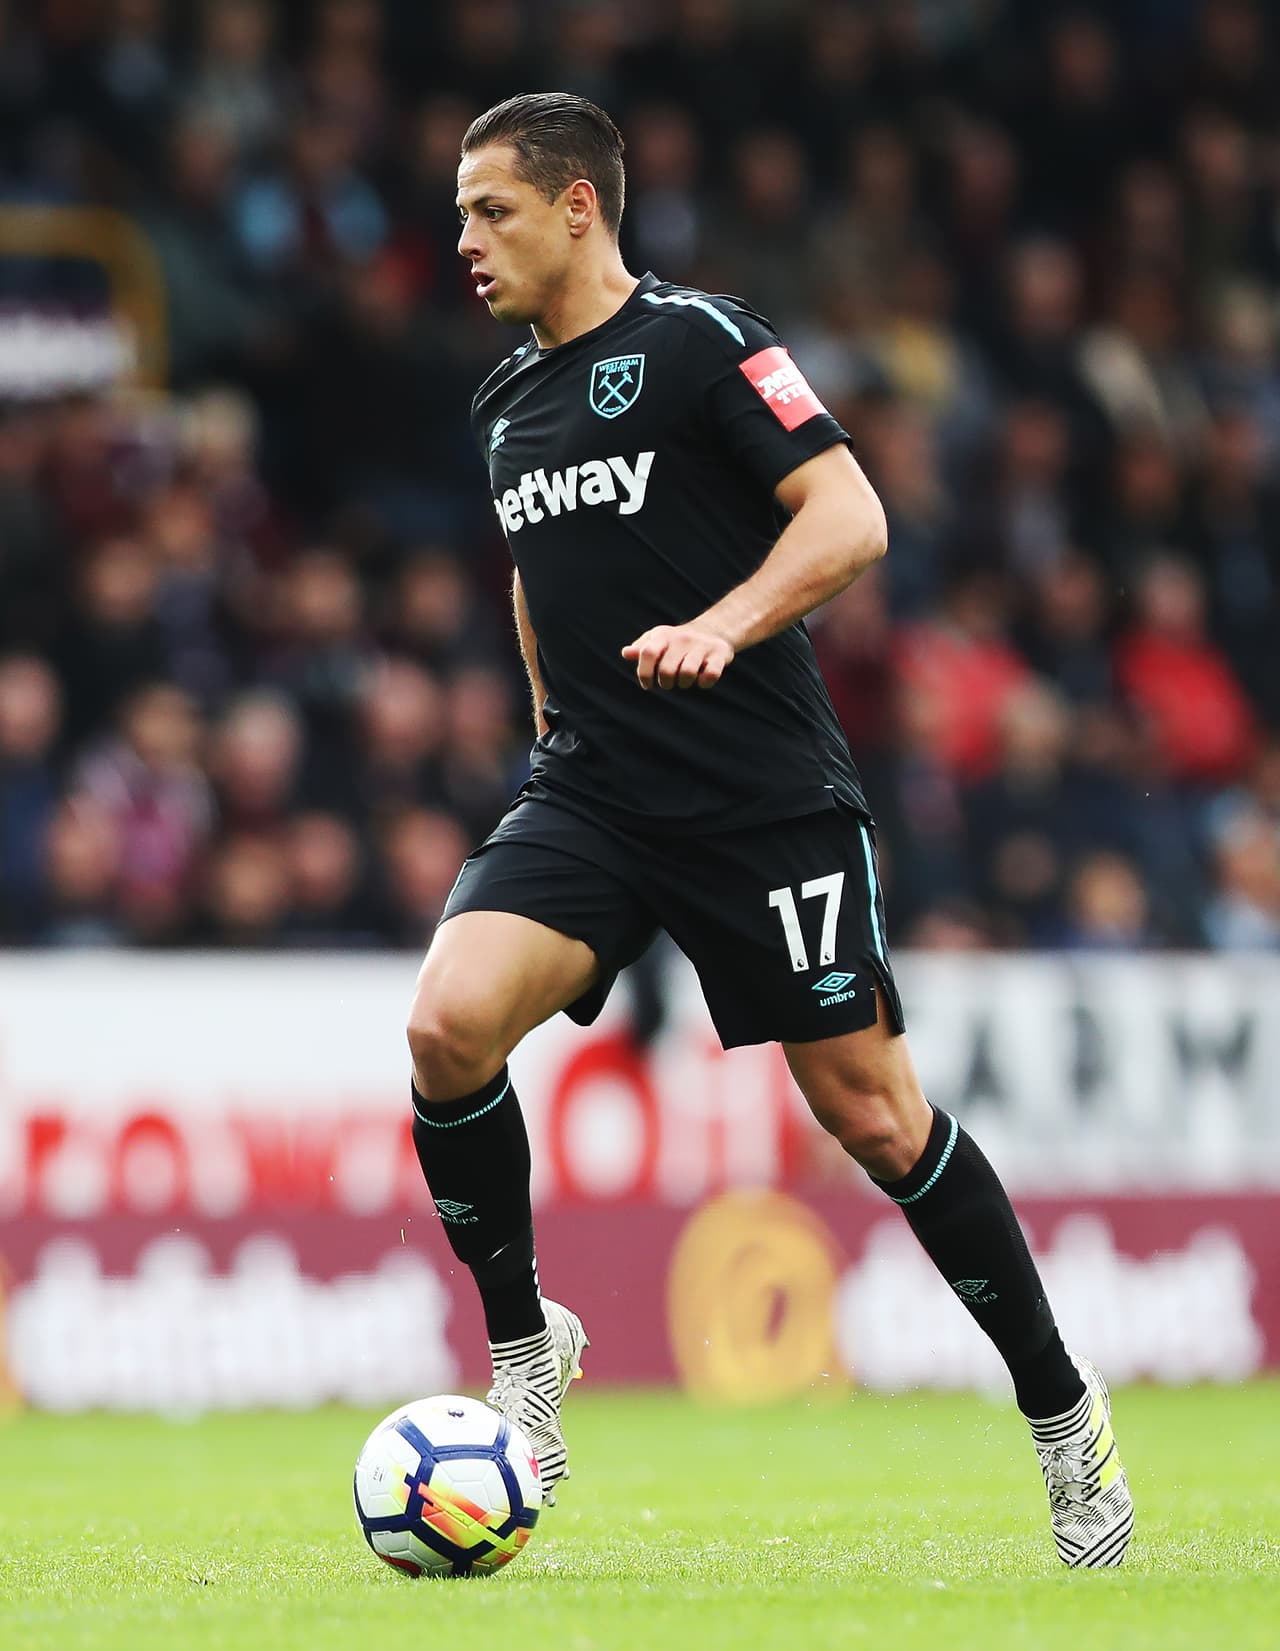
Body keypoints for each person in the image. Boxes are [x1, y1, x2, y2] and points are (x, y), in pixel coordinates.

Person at [407, 92, 1133, 1567]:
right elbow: (540, 586)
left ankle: (1063, 1414)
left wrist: (724, 625)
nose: (465, 240)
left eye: (491, 209)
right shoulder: (502, 407)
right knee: (446, 1030)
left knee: (871, 1115)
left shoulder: (697, 341)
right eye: (461, 213)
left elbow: (851, 516)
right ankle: (528, 1353)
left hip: (760, 797)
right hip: (596, 790)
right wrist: (552, 724)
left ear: (578, 208)